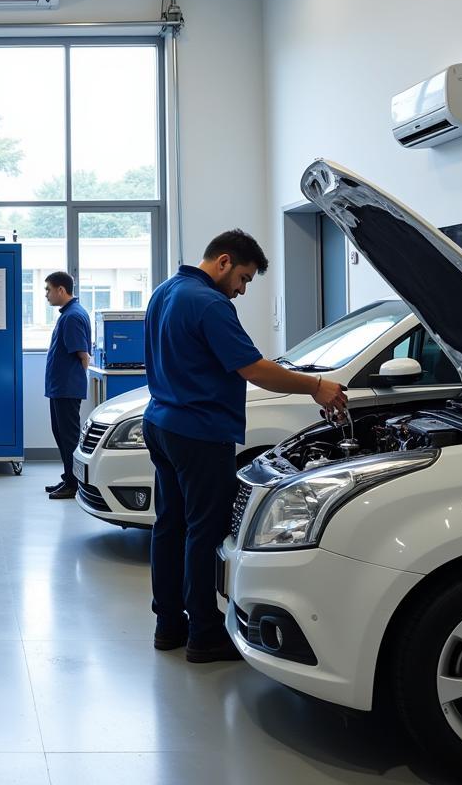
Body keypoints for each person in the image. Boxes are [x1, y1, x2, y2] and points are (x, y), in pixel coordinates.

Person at [144, 229, 348, 663]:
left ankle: (168, 625)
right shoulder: (209, 303)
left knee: (171, 524)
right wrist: (315, 387)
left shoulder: (164, 292)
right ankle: (204, 633)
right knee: (202, 530)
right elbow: (254, 369)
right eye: (244, 278)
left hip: (160, 423)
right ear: (223, 261)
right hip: (199, 431)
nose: (241, 289)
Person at [43, 271, 92, 500]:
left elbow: (84, 355)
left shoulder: (72, 316)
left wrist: (75, 381)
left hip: (67, 388)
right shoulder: (68, 314)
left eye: (48, 290)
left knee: (69, 436)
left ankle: (74, 484)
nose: (46, 295)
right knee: (61, 434)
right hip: (60, 387)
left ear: (61, 290)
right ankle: (68, 477)